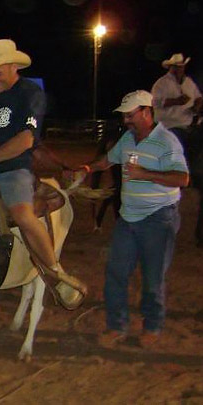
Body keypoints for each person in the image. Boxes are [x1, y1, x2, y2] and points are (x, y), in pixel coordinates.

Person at [74, 90, 189, 348]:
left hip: (158, 218)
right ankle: (117, 326)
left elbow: (182, 179)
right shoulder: (128, 139)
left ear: (147, 112)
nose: (126, 119)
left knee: (152, 277)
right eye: (125, 115)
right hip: (128, 219)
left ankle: (152, 326)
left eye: (130, 114)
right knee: (116, 272)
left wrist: (145, 174)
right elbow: (108, 160)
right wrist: (87, 168)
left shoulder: (167, 142)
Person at [0, 38, 75, 287]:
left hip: (11, 169)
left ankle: (56, 274)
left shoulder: (30, 94)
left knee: (23, 216)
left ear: (15, 67)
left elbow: (26, 139)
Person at [151, 53, 203, 159]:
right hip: (170, 127)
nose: (180, 69)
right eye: (177, 67)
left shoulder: (188, 82)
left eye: (182, 66)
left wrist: (196, 105)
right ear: (171, 67)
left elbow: (199, 97)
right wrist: (176, 101)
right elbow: (154, 102)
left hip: (189, 125)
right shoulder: (161, 84)